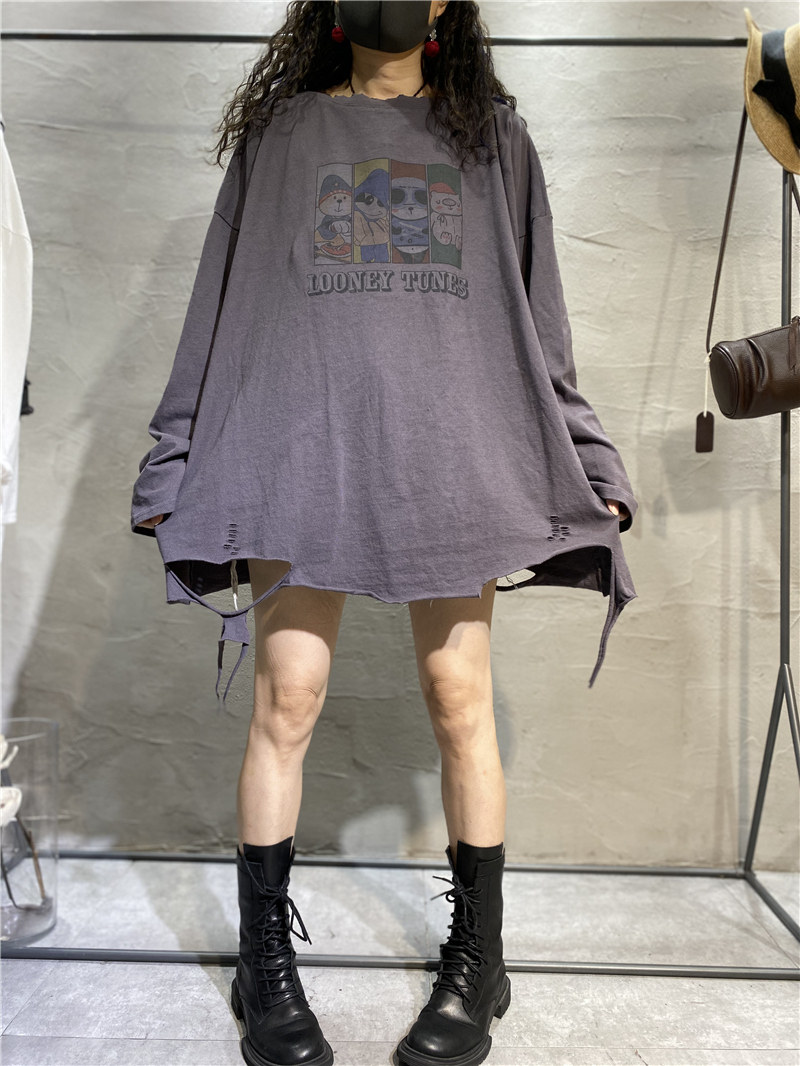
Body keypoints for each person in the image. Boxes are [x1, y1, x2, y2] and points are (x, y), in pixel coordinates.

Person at [130, 2, 638, 1064]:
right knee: (287, 699)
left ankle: (478, 962)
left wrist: (592, 463)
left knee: (458, 699)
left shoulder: (490, 138)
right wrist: (173, 456)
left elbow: (538, 320)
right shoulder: (281, 138)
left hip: (449, 458)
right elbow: (216, 309)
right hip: (298, 448)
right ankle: (263, 964)